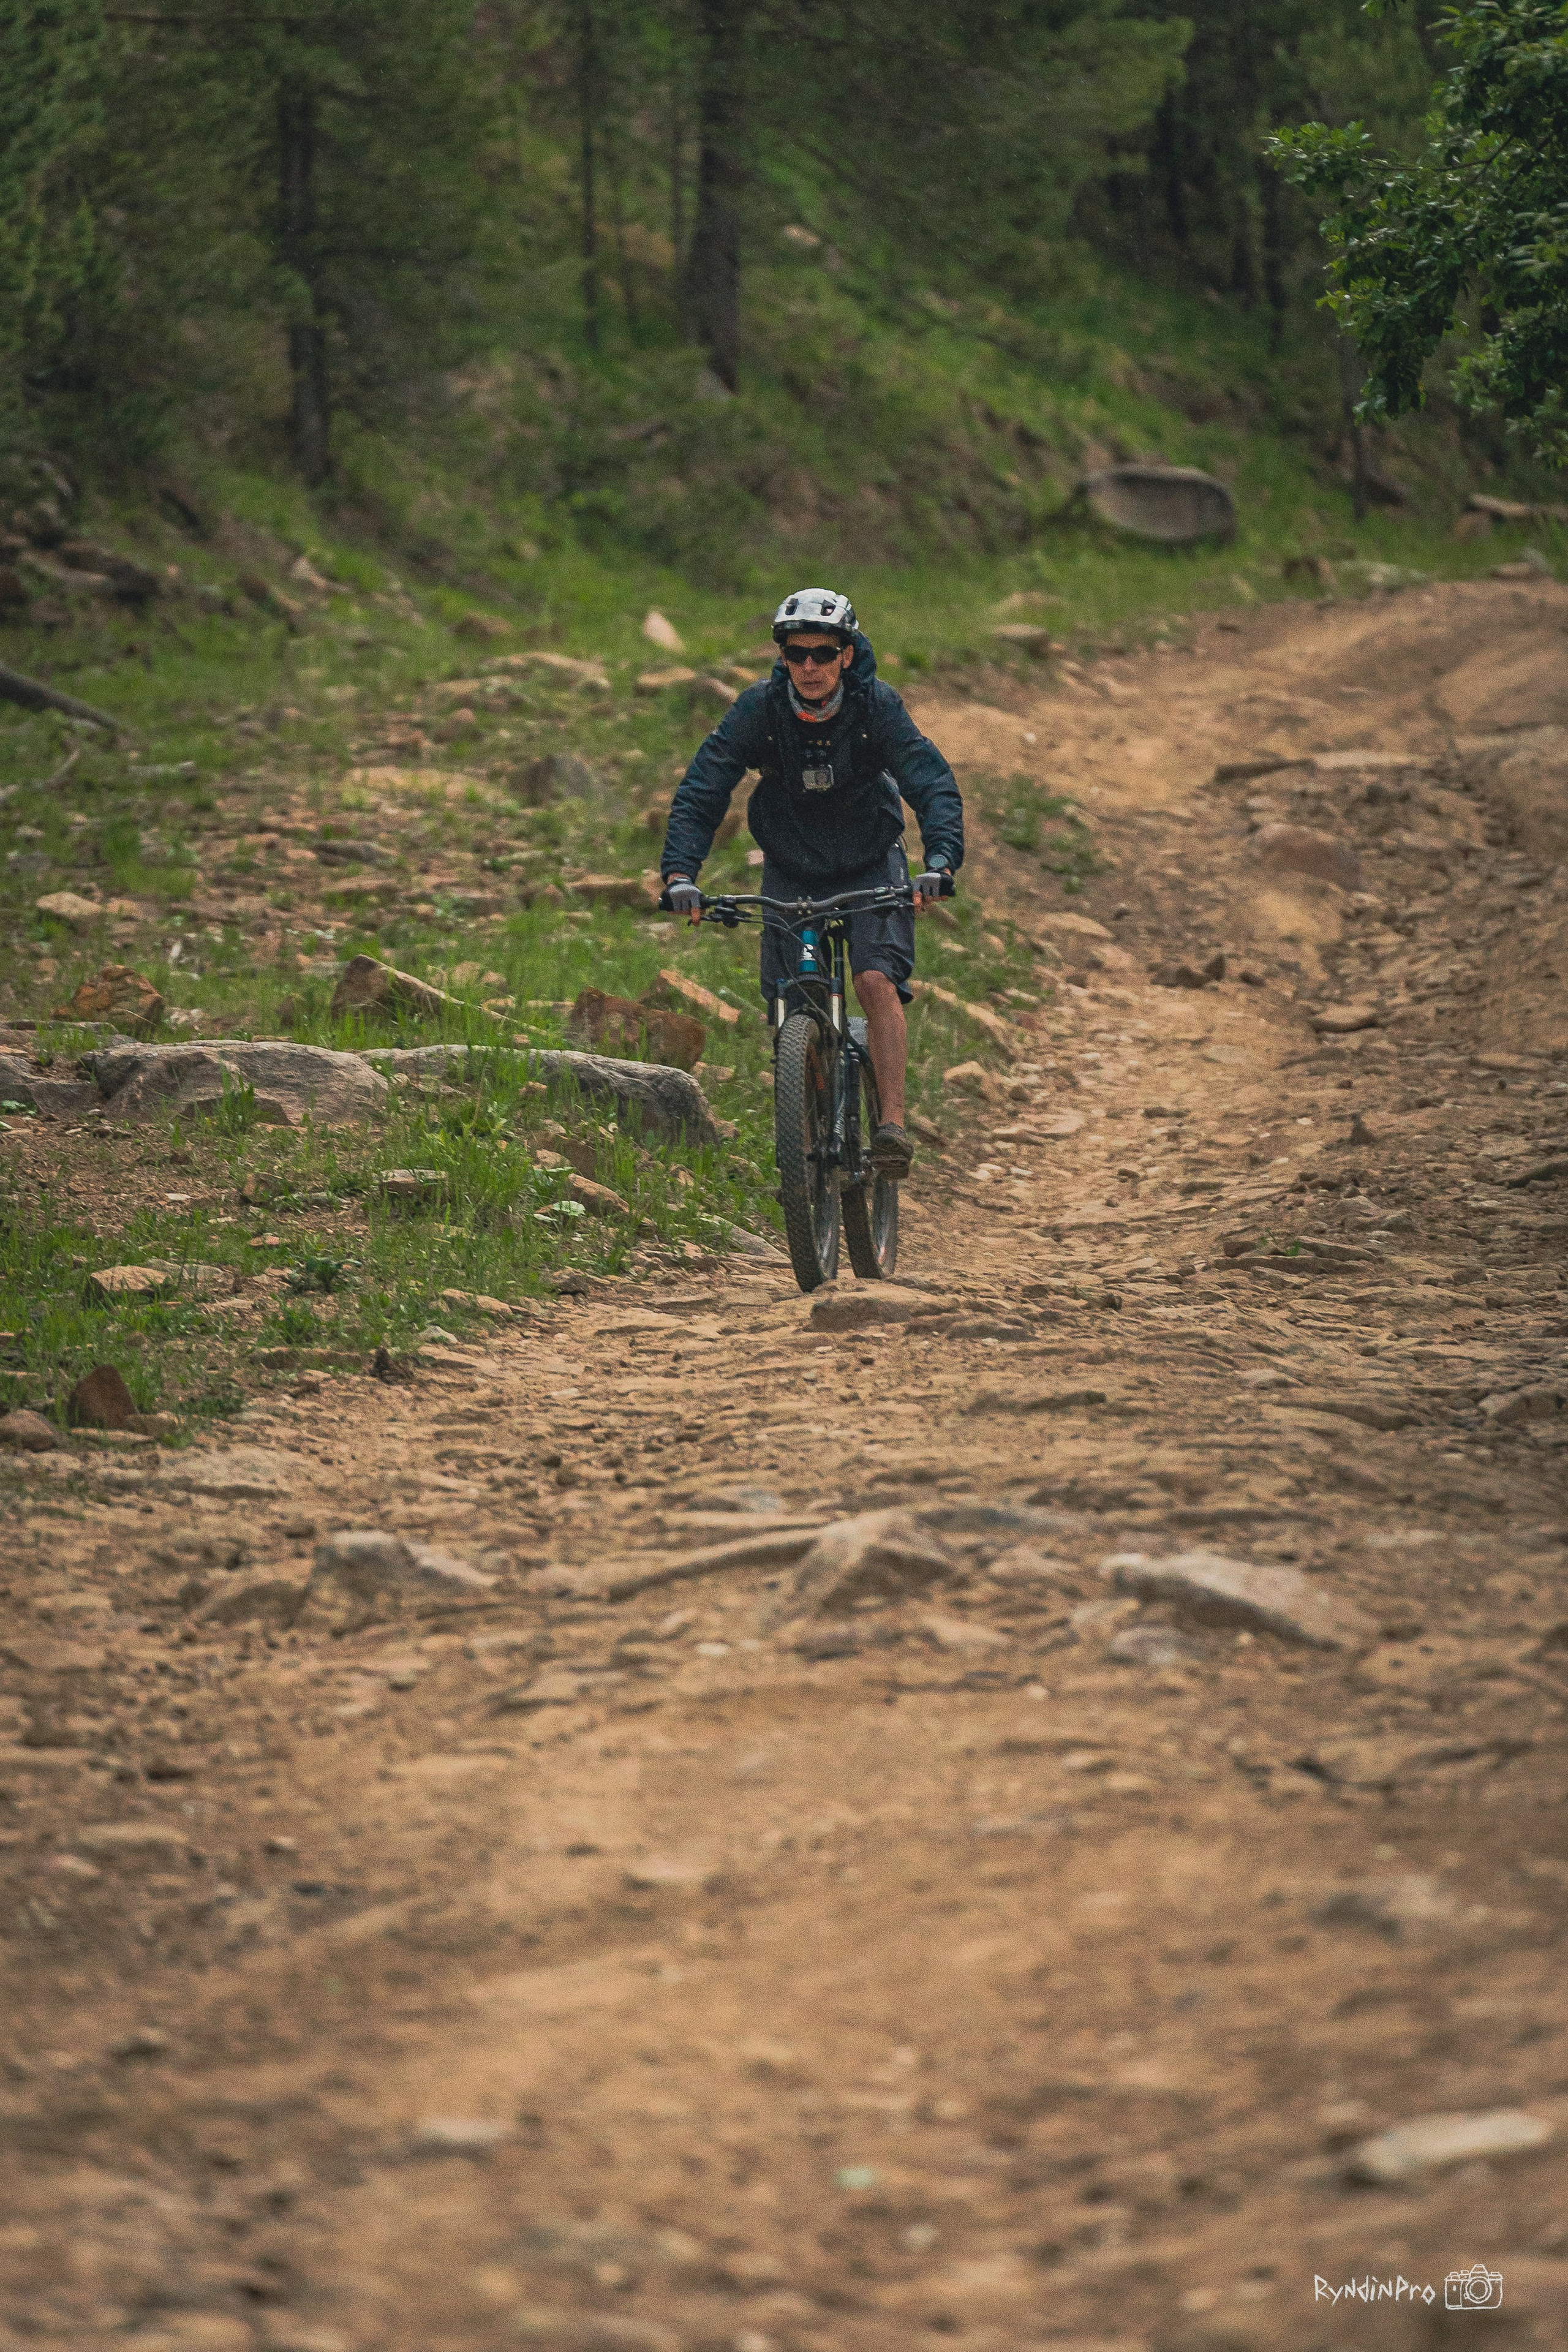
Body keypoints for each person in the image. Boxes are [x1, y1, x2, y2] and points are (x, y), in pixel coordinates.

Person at [660, 587, 963, 1175]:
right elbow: (704, 787)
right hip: (792, 864)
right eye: (796, 654)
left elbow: (929, 780)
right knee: (790, 997)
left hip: (871, 860)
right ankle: (809, 1129)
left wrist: (940, 862)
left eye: (824, 654)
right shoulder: (759, 710)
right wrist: (680, 874)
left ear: (846, 654)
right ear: (782, 656)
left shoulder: (877, 706)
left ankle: (891, 1128)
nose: (810, 667)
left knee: (875, 979)